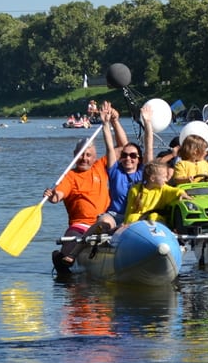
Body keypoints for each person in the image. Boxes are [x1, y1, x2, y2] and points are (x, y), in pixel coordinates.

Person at [45, 136, 114, 272]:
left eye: (89, 155)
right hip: (80, 225)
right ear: (75, 155)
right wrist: (53, 196)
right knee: (67, 252)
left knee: (109, 223)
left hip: (103, 222)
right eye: (81, 154)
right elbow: (58, 195)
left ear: (94, 157)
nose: (84, 158)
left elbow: (119, 147)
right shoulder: (69, 176)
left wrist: (113, 123)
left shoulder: (100, 166)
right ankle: (63, 261)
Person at [100, 101, 152, 226]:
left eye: (133, 155)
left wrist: (147, 123)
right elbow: (109, 148)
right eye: (124, 155)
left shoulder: (143, 172)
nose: (128, 158)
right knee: (104, 222)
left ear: (139, 159)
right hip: (115, 215)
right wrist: (105, 123)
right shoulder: (115, 171)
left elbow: (149, 148)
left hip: (137, 217)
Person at [122, 160, 190, 226]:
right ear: (152, 178)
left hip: (157, 220)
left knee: (153, 216)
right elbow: (129, 211)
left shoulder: (163, 188)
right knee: (132, 217)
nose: (166, 180)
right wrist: (125, 223)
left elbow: (175, 191)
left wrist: (182, 193)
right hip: (141, 222)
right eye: (164, 177)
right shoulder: (135, 190)